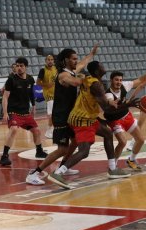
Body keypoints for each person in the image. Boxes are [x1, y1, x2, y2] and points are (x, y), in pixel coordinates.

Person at [49, 61, 134, 189]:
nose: (103, 67)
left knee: (107, 133)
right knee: (84, 152)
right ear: (96, 71)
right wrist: (128, 105)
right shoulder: (96, 85)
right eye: (101, 66)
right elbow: (107, 109)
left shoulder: (89, 79)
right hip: (82, 119)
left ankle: (112, 169)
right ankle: (58, 173)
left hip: (86, 116)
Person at [26, 46, 98, 185]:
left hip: (70, 115)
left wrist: (91, 54)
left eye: (77, 58)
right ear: (66, 60)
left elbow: (83, 63)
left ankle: (64, 166)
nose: (77, 61)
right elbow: (77, 82)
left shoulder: (71, 71)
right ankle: (34, 173)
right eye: (74, 59)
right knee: (62, 149)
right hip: (61, 117)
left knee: (76, 140)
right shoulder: (63, 75)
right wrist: (86, 77)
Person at [104, 62, 146, 171]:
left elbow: (140, 80)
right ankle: (113, 166)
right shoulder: (108, 94)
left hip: (127, 116)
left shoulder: (124, 86)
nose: (119, 82)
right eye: (116, 80)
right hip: (115, 120)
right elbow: (111, 102)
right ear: (111, 80)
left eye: (120, 80)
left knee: (140, 140)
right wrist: (117, 103)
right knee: (123, 142)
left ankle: (131, 159)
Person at [0, 57, 47, 166]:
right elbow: (5, 97)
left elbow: (31, 94)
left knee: (37, 131)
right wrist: (5, 113)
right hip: (13, 112)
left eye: (21, 66)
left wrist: (33, 105)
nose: (19, 68)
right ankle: (4, 156)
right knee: (14, 130)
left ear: (26, 67)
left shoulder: (30, 79)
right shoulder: (11, 79)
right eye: (17, 66)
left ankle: (39, 152)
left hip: (25, 112)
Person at [37, 55, 57, 139]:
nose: (50, 61)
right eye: (48, 59)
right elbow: (38, 82)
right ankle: (49, 131)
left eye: (52, 60)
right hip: (49, 95)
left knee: (57, 114)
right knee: (52, 114)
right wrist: (46, 85)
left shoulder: (56, 69)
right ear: (46, 61)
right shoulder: (43, 70)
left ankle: (54, 130)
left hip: (57, 94)